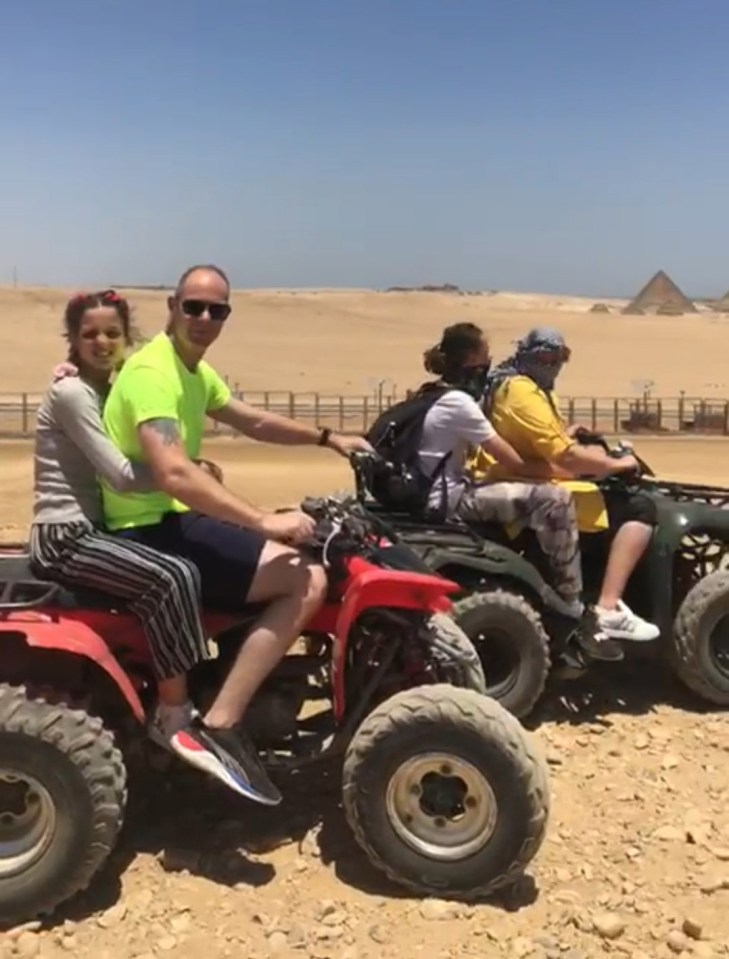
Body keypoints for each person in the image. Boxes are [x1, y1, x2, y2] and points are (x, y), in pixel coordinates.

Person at [100, 264, 372, 807]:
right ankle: (221, 724)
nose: (203, 318)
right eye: (193, 306)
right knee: (306, 580)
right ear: (172, 307)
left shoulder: (194, 372)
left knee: (291, 549)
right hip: (148, 527)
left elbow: (253, 422)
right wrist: (262, 521)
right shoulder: (153, 371)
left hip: (170, 518)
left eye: (216, 309)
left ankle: (227, 680)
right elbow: (175, 473)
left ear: (226, 316)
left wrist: (328, 437)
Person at [29, 289, 261, 798]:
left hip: (91, 532)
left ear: (126, 337)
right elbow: (118, 472)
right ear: (72, 339)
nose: (101, 341)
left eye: (111, 332)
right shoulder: (73, 394)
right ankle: (173, 714)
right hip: (64, 536)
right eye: (88, 334)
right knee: (172, 575)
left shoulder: (105, 384)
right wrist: (187, 474)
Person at [480, 326, 660, 643]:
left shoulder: (522, 385)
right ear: (526, 355)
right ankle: (607, 609)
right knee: (639, 508)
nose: (552, 365)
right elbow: (563, 454)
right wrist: (617, 464)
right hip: (524, 477)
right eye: (544, 358)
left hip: (525, 471)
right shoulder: (522, 390)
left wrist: (570, 432)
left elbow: (548, 437)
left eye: (559, 358)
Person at [416, 322, 586, 620]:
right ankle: (571, 600)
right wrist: (568, 472)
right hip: (450, 500)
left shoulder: (426, 394)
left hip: (423, 494)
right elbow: (514, 463)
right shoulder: (460, 403)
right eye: (486, 355)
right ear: (471, 359)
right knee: (555, 500)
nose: (490, 363)